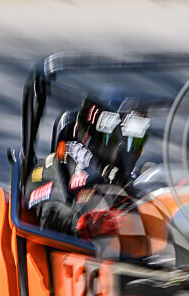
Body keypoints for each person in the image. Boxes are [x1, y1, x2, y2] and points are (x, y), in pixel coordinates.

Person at [24, 98, 151, 238]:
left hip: (136, 255)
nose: (123, 145)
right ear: (89, 133)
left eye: (135, 137)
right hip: (72, 251)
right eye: (112, 135)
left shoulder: (137, 180)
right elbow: (49, 210)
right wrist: (83, 223)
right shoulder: (55, 166)